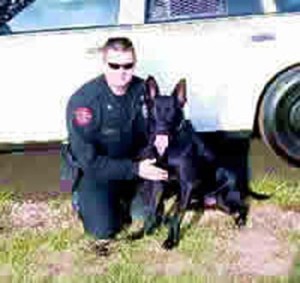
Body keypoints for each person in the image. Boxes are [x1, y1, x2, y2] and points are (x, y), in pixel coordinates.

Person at [65, 37, 168, 242]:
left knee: (146, 219)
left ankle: (127, 197)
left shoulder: (142, 91)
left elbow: (163, 116)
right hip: (98, 171)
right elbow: (89, 162)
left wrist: (162, 133)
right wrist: (135, 169)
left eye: (128, 65)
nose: (122, 72)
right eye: (114, 65)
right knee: (103, 231)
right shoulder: (85, 103)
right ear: (104, 64)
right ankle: (82, 198)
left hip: (134, 164)